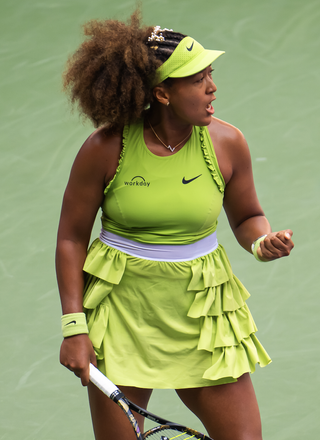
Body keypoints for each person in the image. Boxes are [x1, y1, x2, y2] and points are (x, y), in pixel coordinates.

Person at [56, 9, 294, 440]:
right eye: (198, 79)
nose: (212, 86)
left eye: (211, 73)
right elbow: (72, 238)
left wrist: (262, 241)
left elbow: (247, 217)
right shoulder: (105, 148)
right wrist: (74, 327)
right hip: (123, 312)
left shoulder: (227, 143)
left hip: (203, 314)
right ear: (163, 94)